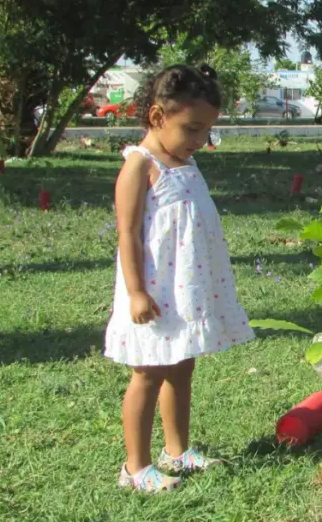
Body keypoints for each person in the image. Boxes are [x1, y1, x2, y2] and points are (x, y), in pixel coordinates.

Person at [105, 64, 254, 492]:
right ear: (157, 117)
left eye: (206, 131)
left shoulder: (184, 162)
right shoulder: (139, 165)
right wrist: (135, 292)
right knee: (148, 373)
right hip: (153, 293)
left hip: (183, 292)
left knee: (181, 367)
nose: (199, 141)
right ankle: (135, 468)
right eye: (191, 129)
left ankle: (177, 451)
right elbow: (128, 233)